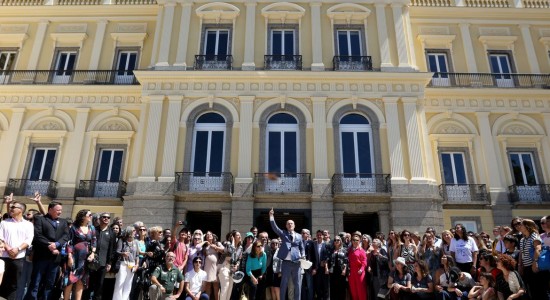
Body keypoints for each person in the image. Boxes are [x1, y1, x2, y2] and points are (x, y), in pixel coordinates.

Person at [24, 201, 69, 300]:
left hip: (55, 258)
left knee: (50, 283)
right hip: (41, 257)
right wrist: (49, 245)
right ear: (50, 210)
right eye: (58, 210)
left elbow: (66, 236)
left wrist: (57, 244)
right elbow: (37, 235)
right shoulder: (40, 219)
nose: (60, 212)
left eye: (61, 210)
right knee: (36, 282)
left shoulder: (63, 222)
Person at [0, 197, 34, 300]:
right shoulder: (4, 222)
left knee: (14, 284)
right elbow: (0, 237)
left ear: (21, 210)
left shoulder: (28, 225)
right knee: (1, 282)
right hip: (4, 257)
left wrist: (17, 249)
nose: (11, 208)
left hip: (18, 258)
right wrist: (8, 248)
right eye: (10, 207)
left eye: (13, 207)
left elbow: (29, 240)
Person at [269, 208, 304, 300]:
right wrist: (271, 217)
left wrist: (303, 256)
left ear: (294, 225)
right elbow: (275, 228)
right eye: (288, 223)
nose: (290, 225)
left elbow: (302, 248)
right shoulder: (283, 233)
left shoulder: (299, 236)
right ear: (286, 225)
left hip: (297, 263)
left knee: (297, 284)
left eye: (291, 223)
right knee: (283, 284)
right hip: (286, 263)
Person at [64, 209, 97, 300]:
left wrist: (93, 253)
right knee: (70, 279)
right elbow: (69, 242)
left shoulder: (92, 228)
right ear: (83, 216)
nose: (91, 216)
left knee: (81, 280)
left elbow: (94, 241)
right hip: (75, 256)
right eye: (89, 215)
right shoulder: (74, 227)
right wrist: (70, 257)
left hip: (86, 258)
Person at [85, 212, 116, 300]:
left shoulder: (112, 233)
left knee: (99, 286)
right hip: (91, 262)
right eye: (104, 217)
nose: (106, 219)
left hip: (103, 263)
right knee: (89, 284)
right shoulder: (94, 230)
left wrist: (109, 262)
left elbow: (112, 249)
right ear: (100, 219)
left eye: (108, 217)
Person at [517, 218, 545, 299]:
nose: (519, 226)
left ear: (527, 226)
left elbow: (538, 249)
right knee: (531, 290)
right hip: (527, 268)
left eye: (521, 225)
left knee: (539, 291)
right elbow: (521, 253)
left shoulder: (534, 236)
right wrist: (520, 265)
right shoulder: (522, 239)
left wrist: (535, 262)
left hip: (534, 266)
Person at [113, 226, 139, 300]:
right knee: (120, 282)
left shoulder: (135, 242)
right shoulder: (122, 240)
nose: (135, 232)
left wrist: (137, 264)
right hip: (123, 263)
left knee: (128, 283)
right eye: (133, 231)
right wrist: (123, 253)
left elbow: (137, 255)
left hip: (132, 265)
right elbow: (117, 251)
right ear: (129, 231)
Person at [202, 231, 223, 300]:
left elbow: (224, 250)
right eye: (207, 235)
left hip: (215, 267)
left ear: (213, 236)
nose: (208, 235)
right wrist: (204, 242)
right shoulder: (205, 245)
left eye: (210, 234)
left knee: (216, 286)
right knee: (207, 286)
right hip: (207, 267)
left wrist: (215, 247)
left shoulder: (217, 243)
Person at [348, 231, 368, 300]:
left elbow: (364, 262)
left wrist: (361, 269)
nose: (354, 241)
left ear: (359, 241)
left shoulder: (361, 250)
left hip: (359, 272)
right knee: (353, 290)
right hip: (351, 272)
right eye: (353, 240)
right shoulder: (349, 250)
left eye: (356, 240)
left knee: (361, 290)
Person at [328, 236, 348, 300]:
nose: (336, 241)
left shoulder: (344, 250)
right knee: (333, 288)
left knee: (341, 288)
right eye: (335, 240)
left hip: (341, 271)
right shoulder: (331, 250)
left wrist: (344, 270)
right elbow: (328, 260)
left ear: (340, 241)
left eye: (338, 240)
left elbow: (346, 261)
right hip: (333, 272)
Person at [312, 230, 329, 300]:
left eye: (320, 235)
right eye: (318, 235)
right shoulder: (313, 244)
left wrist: (325, 262)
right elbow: (312, 257)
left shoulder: (327, 244)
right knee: (317, 287)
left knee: (325, 287)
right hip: (316, 269)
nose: (319, 236)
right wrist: (313, 268)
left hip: (324, 268)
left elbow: (329, 256)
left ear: (323, 236)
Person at [300, 229, 316, 300]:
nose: (303, 234)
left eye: (305, 233)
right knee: (301, 286)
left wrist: (315, 268)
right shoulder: (298, 243)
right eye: (302, 233)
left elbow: (315, 256)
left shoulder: (312, 243)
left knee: (309, 285)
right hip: (300, 267)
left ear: (308, 235)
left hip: (309, 267)